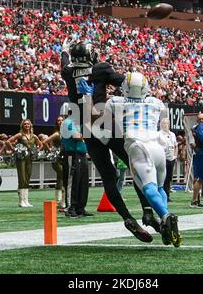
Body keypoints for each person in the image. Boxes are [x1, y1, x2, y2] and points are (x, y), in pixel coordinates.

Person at [61, 39, 158, 243]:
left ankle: (127, 217)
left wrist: (64, 51)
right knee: (136, 166)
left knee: (108, 176)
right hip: (103, 120)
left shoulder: (68, 72)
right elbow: (127, 83)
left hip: (86, 125)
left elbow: (65, 63)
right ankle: (147, 211)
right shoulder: (100, 68)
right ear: (91, 55)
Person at [105, 72, 181, 247]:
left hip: (138, 146)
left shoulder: (115, 102)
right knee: (160, 187)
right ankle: (164, 218)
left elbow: (100, 119)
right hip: (157, 147)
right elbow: (161, 114)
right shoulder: (156, 102)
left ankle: (166, 216)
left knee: (148, 189)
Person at [60, 112, 92, 218]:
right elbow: (76, 136)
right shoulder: (68, 122)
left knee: (83, 182)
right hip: (72, 155)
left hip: (82, 155)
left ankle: (80, 208)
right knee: (72, 182)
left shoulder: (79, 123)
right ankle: (70, 208)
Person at [7, 119, 42, 208]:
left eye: (28, 124)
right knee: (22, 178)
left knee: (27, 178)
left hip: (29, 159)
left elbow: (41, 145)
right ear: (22, 126)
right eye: (25, 124)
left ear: (30, 126)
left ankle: (26, 200)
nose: (27, 125)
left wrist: (36, 151)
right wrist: (15, 150)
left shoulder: (33, 136)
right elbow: (8, 142)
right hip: (21, 159)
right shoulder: (20, 135)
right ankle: (21, 201)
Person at [43, 116, 66, 211]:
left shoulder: (66, 133)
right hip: (56, 158)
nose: (60, 122)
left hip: (63, 157)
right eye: (58, 121)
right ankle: (59, 200)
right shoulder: (56, 134)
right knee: (61, 175)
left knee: (61, 177)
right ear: (57, 123)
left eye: (62, 120)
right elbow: (45, 142)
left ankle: (61, 201)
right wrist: (51, 151)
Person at [158, 118, 178, 202]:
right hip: (163, 158)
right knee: (162, 178)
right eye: (164, 123)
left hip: (171, 158)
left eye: (167, 123)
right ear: (160, 125)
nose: (165, 125)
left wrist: (175, 156)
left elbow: (175, 145)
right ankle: (160, 196)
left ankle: (167, 195)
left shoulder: (172, 134)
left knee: (169, 178)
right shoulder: (158, 134)